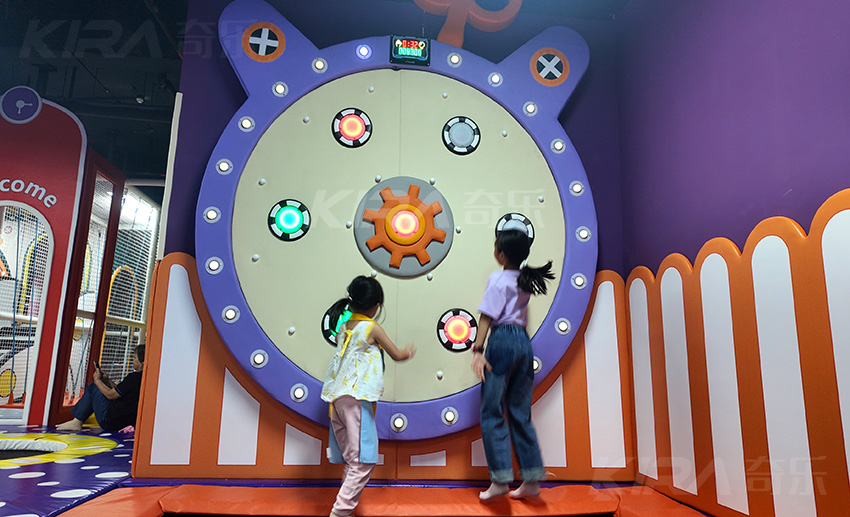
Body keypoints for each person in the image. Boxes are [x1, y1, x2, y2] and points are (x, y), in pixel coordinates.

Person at [471, 224, 555, 501]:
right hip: (523, 343)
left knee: (492, 411)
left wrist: (478, 349)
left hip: (503, 341)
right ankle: (531, 479)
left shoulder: (498, 278)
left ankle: (500, 480)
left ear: (501, 254)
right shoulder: (524, 279)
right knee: (520, 412)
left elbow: (487, 316)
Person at [321, 276, 415, 517]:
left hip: (338, 401)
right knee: (363, 461)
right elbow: (396, 354)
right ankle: (340, 512)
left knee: (352, 459)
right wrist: (407, 352)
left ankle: (345, 510)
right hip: (356, 399)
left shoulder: (345, 327)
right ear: (376, 307)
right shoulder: (372, 328)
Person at [57, 345, 145, 432]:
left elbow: (110, 395)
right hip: (127, 423)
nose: (133, 361)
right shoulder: (144, 379)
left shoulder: (134, 378)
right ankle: (77, 421)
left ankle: (77, 422)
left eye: (135, 358)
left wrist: (97, 380)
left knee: (93, 387)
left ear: (143, 362)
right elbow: (122, 391)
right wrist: (108, 380)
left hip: (111, 422)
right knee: (101, 387)